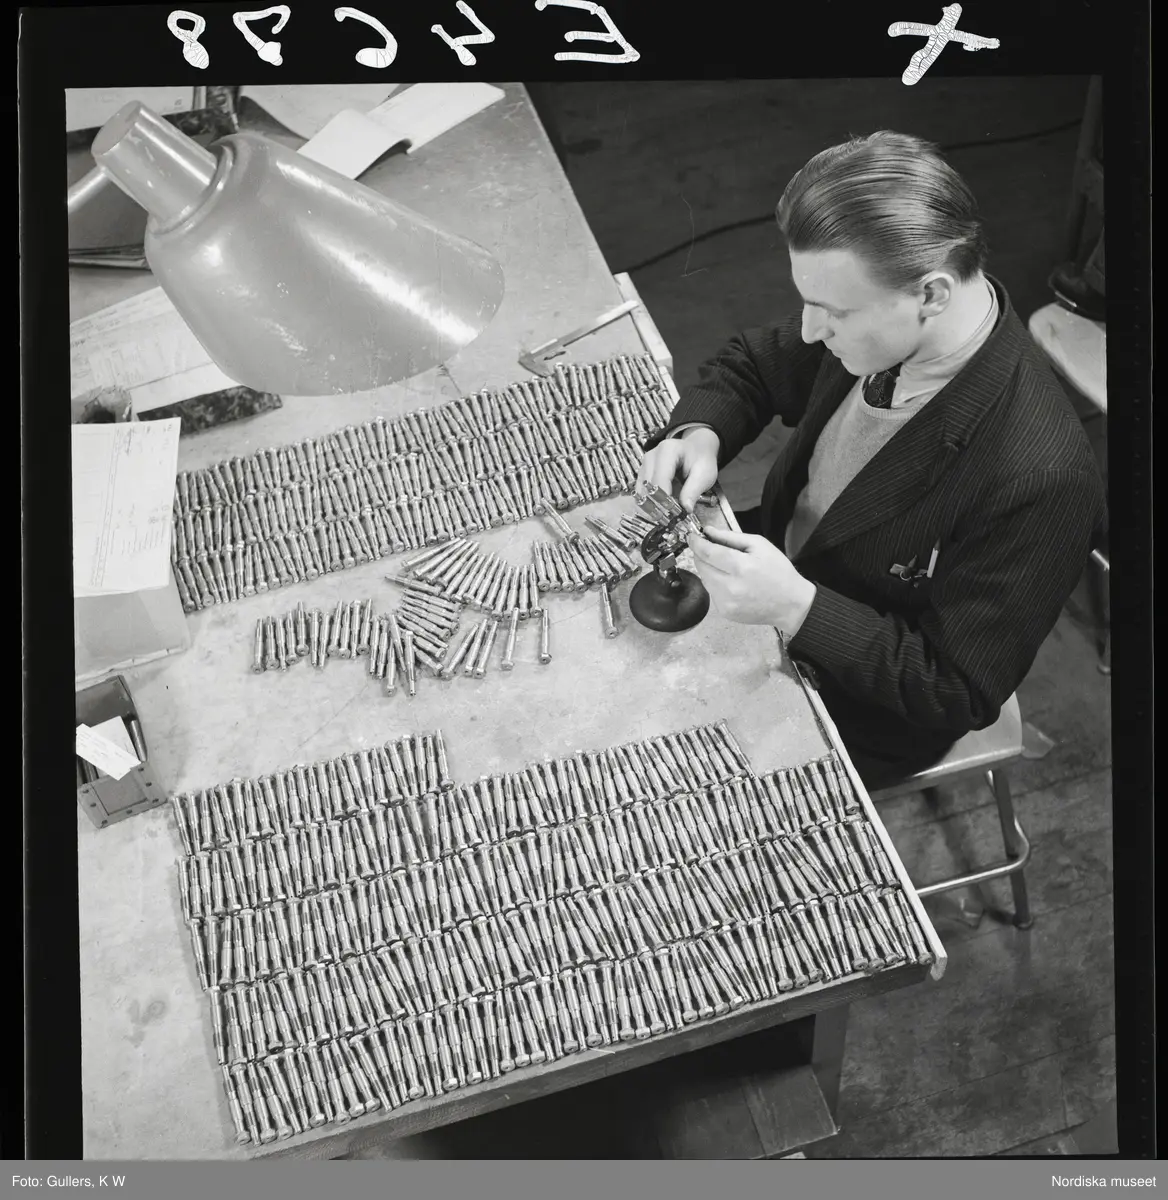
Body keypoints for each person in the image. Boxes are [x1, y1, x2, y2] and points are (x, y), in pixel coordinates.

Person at [638, 131, 1107, 790]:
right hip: (785, 564)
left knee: (665, 782)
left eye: (832, 311)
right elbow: (753, 365)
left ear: (932, 295)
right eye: (807, 301)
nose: (809, 330)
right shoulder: (875, 329)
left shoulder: (1041, 478)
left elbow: (956, 689)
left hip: (860, 702)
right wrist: (701, 431)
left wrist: (799, 608)